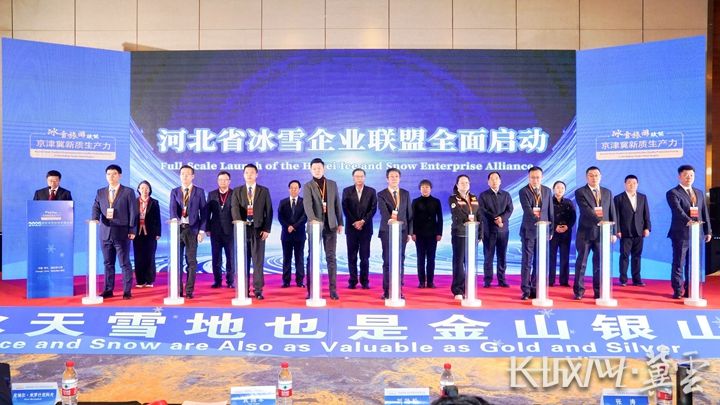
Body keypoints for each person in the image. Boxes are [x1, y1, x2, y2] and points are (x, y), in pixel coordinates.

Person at [666, 164, 712, 299]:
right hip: (681, 234)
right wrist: (690, 221)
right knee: (679, 263)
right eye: (686, 175)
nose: (689, 177)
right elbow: (677, 210)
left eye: (691, 175)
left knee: (693, 264)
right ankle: (677, 290)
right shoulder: (673, 193)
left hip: (697, 234)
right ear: (679, 177)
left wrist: (708, 231)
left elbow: (704, 212)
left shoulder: (699, 193)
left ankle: (690, 290)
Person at [92, 164, 136, 300]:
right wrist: (95, 218)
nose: (111, 177)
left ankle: (127, 291)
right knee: (108, 263)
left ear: (120, 175)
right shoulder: (100, 192)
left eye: (114, 174)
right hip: (105, 232)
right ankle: (108, 290)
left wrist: (132, 229)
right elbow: (96, 207)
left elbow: (133, 212)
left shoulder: (128, 192)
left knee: (124, 263)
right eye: (109, 174)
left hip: (122, 232)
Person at [573, 166, 616, 300]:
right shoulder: (580, 192)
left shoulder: (607, 192)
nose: (594, 178)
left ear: (600, 177)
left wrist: (613, 232)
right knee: (582, 264)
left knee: (599, 265)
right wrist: (600, 221)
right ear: (586, 177)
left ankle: (598, 292)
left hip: (602, 234)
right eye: (591, 175)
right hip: (585, 233)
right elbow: (586, 210)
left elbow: (612, 212)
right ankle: (579, 291)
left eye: (596, 175)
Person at [303, 158, 343, 300]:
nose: (317, 170)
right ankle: (311, 290)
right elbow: (307, 205)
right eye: (314, 168)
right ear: (311, 170)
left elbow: (337, 204)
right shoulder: (308, 186)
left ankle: (333, 290)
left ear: (324, 168)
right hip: (315, 227)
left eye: (319, 168)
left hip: (330, 226)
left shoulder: (332, 184)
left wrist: (340, 222)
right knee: (312, 258)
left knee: (331, 257)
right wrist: (313, 219)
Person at [231, 164, 272, 300]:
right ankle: (244, 289)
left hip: (258, 230)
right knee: (243, 261)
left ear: (256, 174)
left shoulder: (263, 191)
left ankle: (258, 290)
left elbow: (269, 211)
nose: (249, 175)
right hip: (243, 230)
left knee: (258, 261)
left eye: (252, 172)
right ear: (243, 175)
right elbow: (234, 208)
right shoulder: (237, 191)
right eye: (247, 172)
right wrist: (239, 226)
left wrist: (266, 229)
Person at [169, 164, 207, 299]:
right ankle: (178, 290)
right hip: (178, 230)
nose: (184, 176)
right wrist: (175, 221)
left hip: (192, 230)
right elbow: (172, 210)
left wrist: (202, 231)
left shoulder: (199, 192)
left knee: (191, 261)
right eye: (182, 174)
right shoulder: (175, 191)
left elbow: (204, 213)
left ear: (192, 176)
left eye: (187, 174)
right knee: (177, 261)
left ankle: (189, 290)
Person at [518, 166, 554, 300]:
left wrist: (550, 229)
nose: (535, 180)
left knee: (539, 262)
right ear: (529, 178)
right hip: (529, 230)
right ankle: (526, 290)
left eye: (538, 177)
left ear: (542, 177)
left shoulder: (547, 190)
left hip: (543, 231)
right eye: (533, 177)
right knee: (527, 261)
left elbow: (550, 211)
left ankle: (535, 288)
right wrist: (540, 222)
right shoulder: (523, 191)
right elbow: (527, 210)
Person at [377, 168, 413, 300]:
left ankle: (398, 290)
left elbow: (409, 214)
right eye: (391, 176)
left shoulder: (405, 193)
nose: (394, 178)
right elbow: (383, 212)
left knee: (400, 261)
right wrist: (391, 221)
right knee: (387, 261)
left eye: (396, 176)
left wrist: (409, 232)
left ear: (400, 178)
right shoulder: (381, 194)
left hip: (402, 232)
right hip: (387, 231)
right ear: (387, 179)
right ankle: (387, 291)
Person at [341, 168, 377, 290]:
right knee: (352, 256)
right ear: (353, 178)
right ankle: (352, 281)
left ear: (364, 177)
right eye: (357, 176)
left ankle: (365, 281)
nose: (359, 178)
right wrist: (355, 222)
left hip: (366, 229)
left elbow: (373, 209)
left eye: (361, 176)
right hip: (351, 229)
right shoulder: (347, 191)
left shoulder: (371, 191)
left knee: (364, 257)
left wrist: (362, 221)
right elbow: (345, 208)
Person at [614, 174, 651, 287]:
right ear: (625, 184)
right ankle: (623, 279)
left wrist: (647, 228)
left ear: (637, 184)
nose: (632, 185)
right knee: (624, 256)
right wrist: (617, 230)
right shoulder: (618, 198)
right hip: (625, 232)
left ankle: (637, 279)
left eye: (634, 183)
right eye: (629, 183)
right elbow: (616, 216)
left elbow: (646, 214)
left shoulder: (642, 197)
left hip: (639, 231)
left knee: (637, 256)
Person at [449, 174, 481, 299]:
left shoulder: (474, 198)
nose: (465, 185)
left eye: (467, 182)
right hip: (460, 233)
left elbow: (479, 215)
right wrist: (468, 221)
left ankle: (469, 287)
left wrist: (480, 232)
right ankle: (458, 289)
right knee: (459, 262)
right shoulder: (453, 198)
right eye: (462, 183)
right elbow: (457, 213)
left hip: (472, 234)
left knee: (470, 262)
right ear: (457, 185)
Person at [478, 171, 513, 288]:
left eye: (496, 178)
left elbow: (510, 209)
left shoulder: (506, 195)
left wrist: (501, 218)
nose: (494, 181)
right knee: (488, 256)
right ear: (488, 182)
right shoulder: (483, 195)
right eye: (492, 179)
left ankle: (502, 280)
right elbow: (482, 210)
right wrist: (495, 218)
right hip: (489, 230)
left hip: (503, 230)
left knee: (502, 256)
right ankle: (487, 280)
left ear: (500, 181)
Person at [411, 179, 443, 289]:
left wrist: (439, 233)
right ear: (420, 189)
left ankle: (430, 282)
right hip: (419, 234)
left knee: (431, 259)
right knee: (420, 258)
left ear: (431, 189)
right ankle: (421, 282)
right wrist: (412, 233)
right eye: (423, 187)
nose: (425, 189)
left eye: (427, 187)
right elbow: (412, 218)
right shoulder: (415, 201)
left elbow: (440, 218)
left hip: (432, 234)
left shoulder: (436, 201)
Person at [206, 171, 235, 289]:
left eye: (225, 179)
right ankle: (217, 281)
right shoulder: (212, 194)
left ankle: (230, 281)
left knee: (230, 257)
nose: (223, 182)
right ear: (217, 181)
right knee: (216, 257)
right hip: (215, 231)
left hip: (230, 231)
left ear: (229, 181)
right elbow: (207, 213)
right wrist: (207, 228)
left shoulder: (234, 194)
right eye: (220, 180)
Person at [278, 180, 307, 288]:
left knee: (299, 258)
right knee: (286, 258)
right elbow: (280, 217)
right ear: (288, 189)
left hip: (299, 234)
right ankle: (286, 281)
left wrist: (294, 226)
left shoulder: (304, 202)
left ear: (299, 189)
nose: (294, 190)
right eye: (292, 188)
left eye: (296, 188)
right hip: (286, 235)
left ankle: (300, 281)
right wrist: (288, 226)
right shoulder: (283, 202)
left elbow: (305, 217)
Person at [133, 180, 161, 288]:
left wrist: (158, 233)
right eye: (142, 188)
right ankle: (140, 280)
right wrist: (130, 231)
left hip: (151, 233)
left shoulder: (154, 202)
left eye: (146, 188)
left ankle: (149, 280)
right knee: (138, 256)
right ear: (138, 190)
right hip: (137, 233)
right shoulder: (134, 202)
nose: (144, 190)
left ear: (150, 190)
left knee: (150, 256)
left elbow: (157, 219)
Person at [549, 181, 575, 287]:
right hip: (553, 232)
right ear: (553, 189)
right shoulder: (548, 202)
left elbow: (573, 217)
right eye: (558, 188)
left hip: (566, 233)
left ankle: (564, 281)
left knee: (565, 256)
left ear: (565, 190)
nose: (560, 190)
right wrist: (555, 227)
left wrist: (567, 226)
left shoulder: (569, 202)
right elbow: (546, 216)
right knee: (552, 256)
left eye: (562, 188)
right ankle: (550, 280)